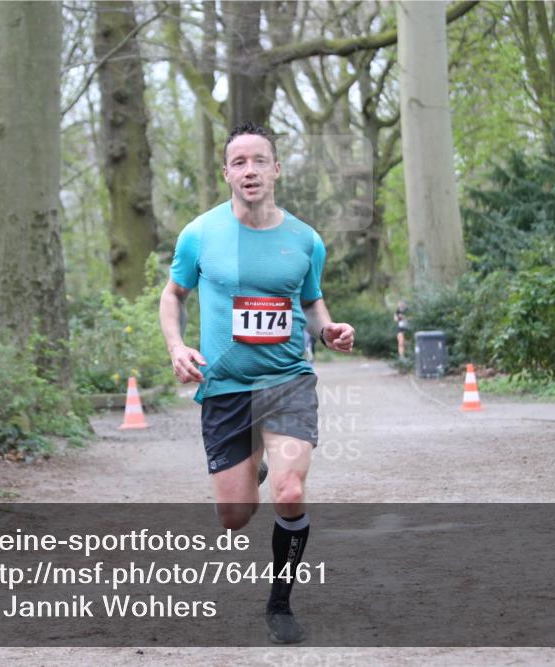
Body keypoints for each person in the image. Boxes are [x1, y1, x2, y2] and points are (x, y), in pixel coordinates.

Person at [159, 122, 355, 644]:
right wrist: (177, 347)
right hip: (225, 386)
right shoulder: (200, 234)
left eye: (259, 160)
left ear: (276, 169)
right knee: (234, 516)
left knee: (290, 492)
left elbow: (311, 301)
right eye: (239, 162)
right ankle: (254, 464)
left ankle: (280, 603)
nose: (250, 170)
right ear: (226, 173)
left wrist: (328, 329)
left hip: (287, 380)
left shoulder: (306, 239)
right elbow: (173, 295)